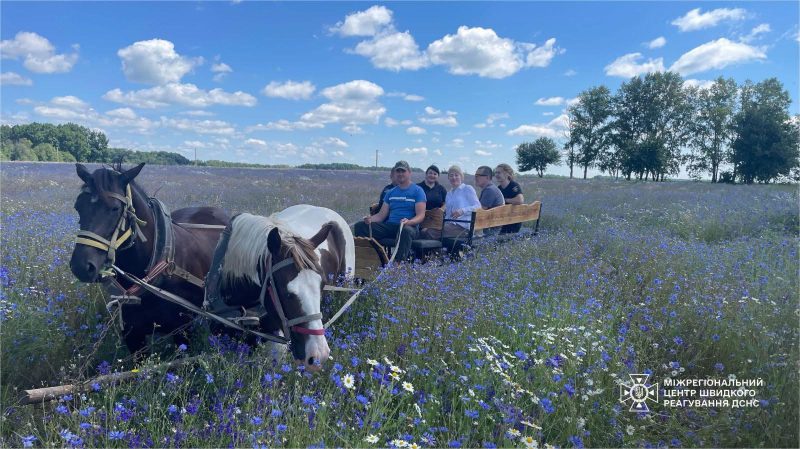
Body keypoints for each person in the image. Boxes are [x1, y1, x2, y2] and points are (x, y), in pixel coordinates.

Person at [354, 160, 426, 261]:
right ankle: (371, 258)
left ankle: (397, 264)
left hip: (409, 227)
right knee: (360, 226)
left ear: (409, 173)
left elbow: (421, 215)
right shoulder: (390, 192)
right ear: (394, 173)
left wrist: (409, 222)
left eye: (403, 171)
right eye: (398, 171)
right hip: (391, 226)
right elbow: (381, 216)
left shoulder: (418, 191)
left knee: (406, 230)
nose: (400, 174)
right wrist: (370, 219)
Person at [422, 165, 481, 239]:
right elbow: (448, 215)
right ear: (448, 178)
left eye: (456, 175)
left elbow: (478, 206)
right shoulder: (449, 194)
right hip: (450, 225)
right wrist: (439, 224)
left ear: (461, 177)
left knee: (430, 232)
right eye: (451, 175)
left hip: (464, 226)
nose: (454, 178)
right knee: (425, 230)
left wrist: (462, 211)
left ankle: (431, 250)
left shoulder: (467, 189)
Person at [494, 163, 525, 233]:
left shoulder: (513, 185)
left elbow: (520, 200)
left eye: (499, 173)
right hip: (503, 220)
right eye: (495, 173)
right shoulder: (498, 188)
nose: (496, 175)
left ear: (507, 174)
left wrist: (504, 200)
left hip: (514, 220)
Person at [474, 165, 504, 236]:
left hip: (491, 231)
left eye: (478, 175)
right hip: (491, 226)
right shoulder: (491, 188)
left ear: (487, 177)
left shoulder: (489, 190)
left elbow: (479, 212)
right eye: (475, 175)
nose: (475, 178)